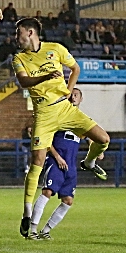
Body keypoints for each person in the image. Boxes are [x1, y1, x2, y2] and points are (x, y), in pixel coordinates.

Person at [12, 17, 110, 238]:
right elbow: (25, 82)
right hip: (44, 114)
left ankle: (89, 162)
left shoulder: (55, 49)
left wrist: (69, 89)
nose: (16, 37)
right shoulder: (19, 58)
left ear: (30, 32)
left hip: (65, 109)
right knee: (36, 162)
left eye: (19, 33)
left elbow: (75, 68)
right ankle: (27, 214)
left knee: (103, 139)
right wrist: (47, 75)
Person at [27, 88, 97, 240]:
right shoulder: (58, 116)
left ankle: (45, 231)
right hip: (56, 161)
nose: (73, 97)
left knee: (68, 201)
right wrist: (57, 157)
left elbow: (91, 135)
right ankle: (32, 229)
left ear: (81, 99)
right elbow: (45, 138)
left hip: (71, 166)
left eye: (76, 95)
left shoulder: (80, 120)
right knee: (47, 192)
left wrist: (97, 150)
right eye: (71, 94)